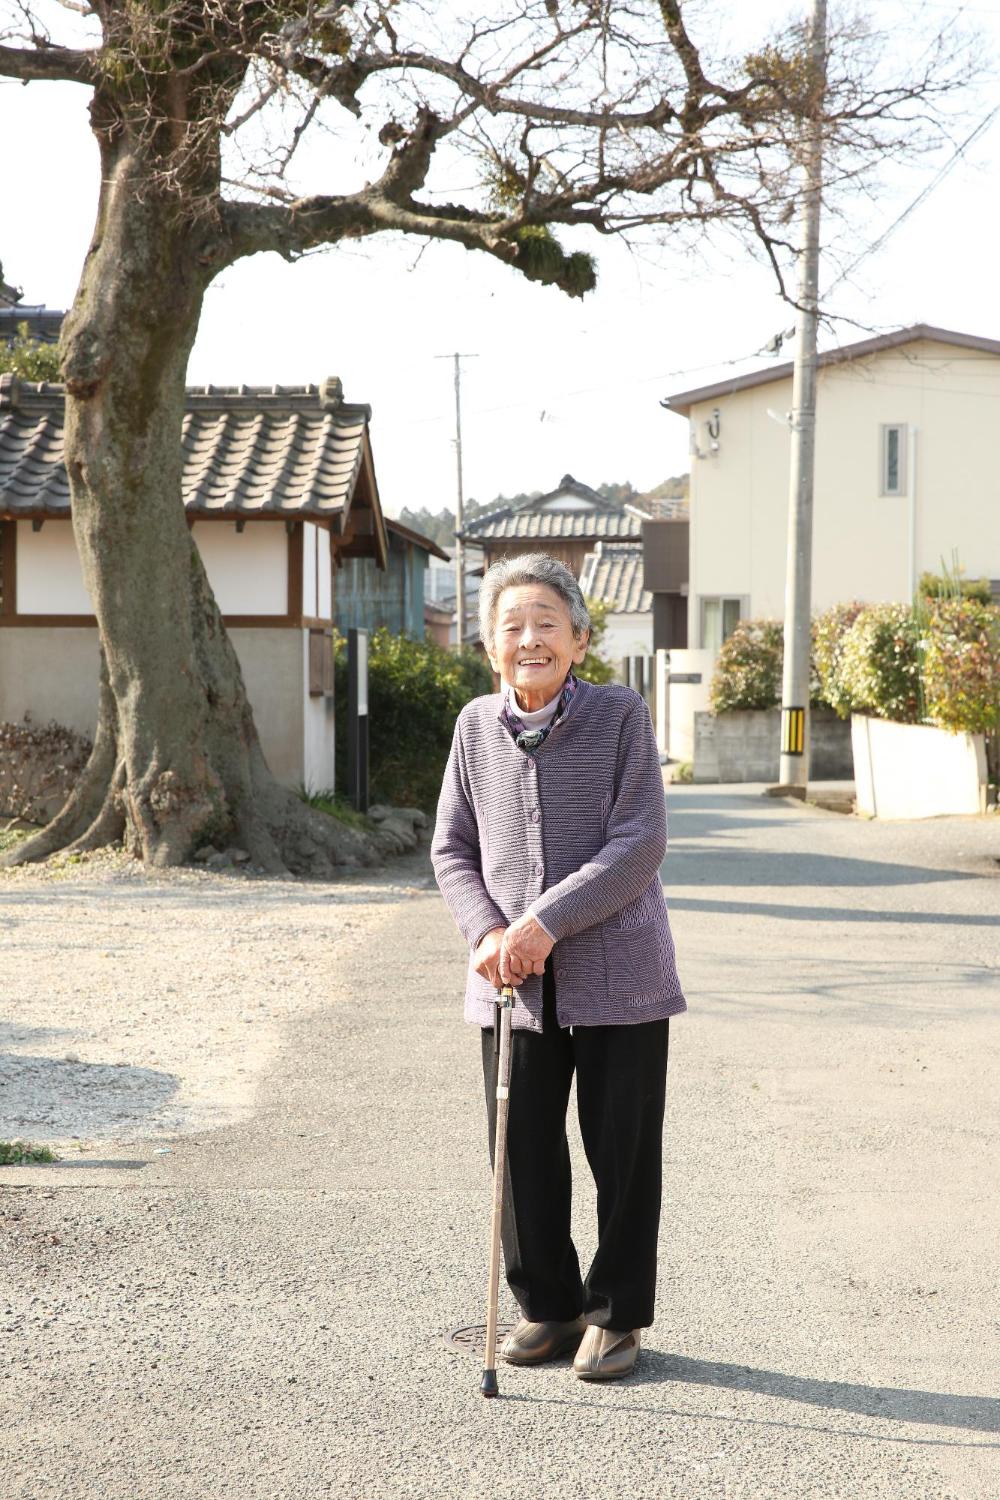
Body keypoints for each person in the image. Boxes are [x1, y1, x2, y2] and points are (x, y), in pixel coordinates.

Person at [431, 552, 686, 1381]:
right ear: (488, 646)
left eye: (547, 623)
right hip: (509, 980)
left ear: (580, 638)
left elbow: (639, 840)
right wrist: (485, 933)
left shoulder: (618, 716)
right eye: (512, 626)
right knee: (521, 1148)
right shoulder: (475, 727)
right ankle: (549, 1304)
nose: (529, 639)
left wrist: (542, 922)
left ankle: (614, 1316)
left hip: (621, 975)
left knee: (622, 1152)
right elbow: (452, 847)